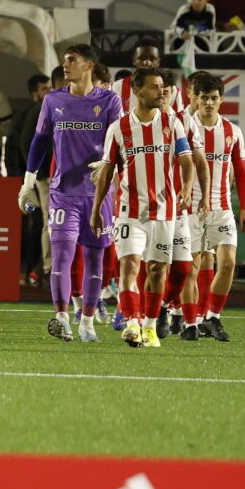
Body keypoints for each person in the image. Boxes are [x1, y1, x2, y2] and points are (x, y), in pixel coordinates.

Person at [22, 44, 123, 343]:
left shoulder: (109, 101)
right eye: (65, 60)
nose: (65, 65)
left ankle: (88, 322)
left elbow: (120, 141)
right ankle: (62, 318)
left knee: (94, 259)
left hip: (99, 194)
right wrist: (28, 180)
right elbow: (40, 141)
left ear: (89, 65)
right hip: (62, 192)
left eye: (72, 60)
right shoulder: (54, 100)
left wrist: (108, 165)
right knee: (62, 255)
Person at [90, 67, 196, 348]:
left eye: (163, 87)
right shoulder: (119, 128)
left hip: (165, 212)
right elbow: (107, 170)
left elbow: (186, 160)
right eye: (153, 87)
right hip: (129, 211)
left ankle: (149, 326)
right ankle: (133, 322)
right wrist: (96, 208)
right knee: (129, 264)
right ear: (136, 91)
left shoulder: (172, 123)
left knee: (157, 272)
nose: (161, 92)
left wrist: (186, 187)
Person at [183, 72, 245, 342]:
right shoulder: (185, 128)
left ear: (221, 100)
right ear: (196, 100)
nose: (209, 103)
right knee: (192, 268)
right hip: (190, 210)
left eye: (213, 98)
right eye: (203, 98)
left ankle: (213, 316)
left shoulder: (232, 132)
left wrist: (244, 207)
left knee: (229, 263)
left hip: (221, 208)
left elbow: (242, 171)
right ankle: (191, 320)